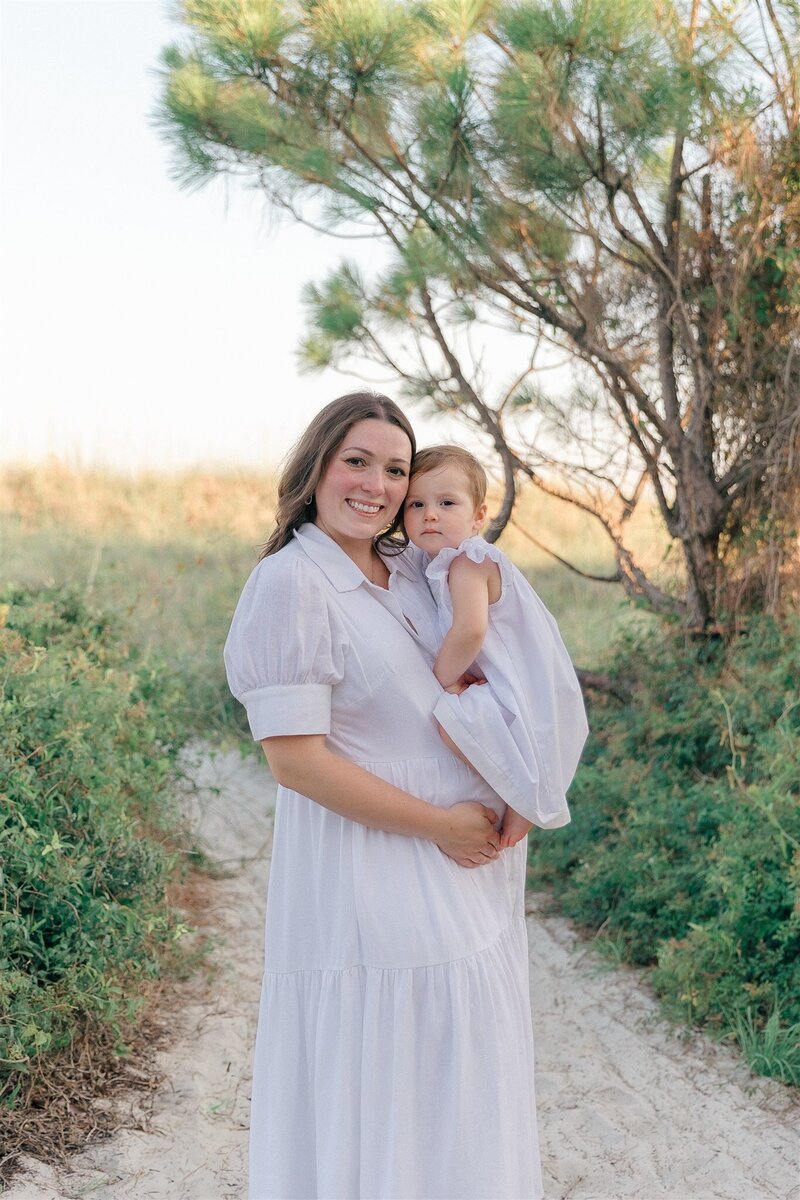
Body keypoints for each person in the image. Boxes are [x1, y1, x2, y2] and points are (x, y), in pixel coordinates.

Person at [225, 393, 544, 1200]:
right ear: (316, 467)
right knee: (396, 1079)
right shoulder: (293, 582)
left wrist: (517, 776)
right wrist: (441, 823)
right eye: (357, 462)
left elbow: (486, 670)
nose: (377, 485)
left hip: (461, 880)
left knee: (455, 1086)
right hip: (374, 879)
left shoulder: (407, 569)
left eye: (396, 470)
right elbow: (296, 762)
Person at [404, 445, 588, 842]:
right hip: (507, 675)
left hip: (516, 678)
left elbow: (470, 631)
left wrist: (441, 679)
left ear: (478, 516)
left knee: (455, 725)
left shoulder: (468, 563)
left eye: (446, 503)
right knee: (491, 731)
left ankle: (522, 798)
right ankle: (522, 796)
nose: (429, 514)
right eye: (416, 504)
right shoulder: (444, 563)